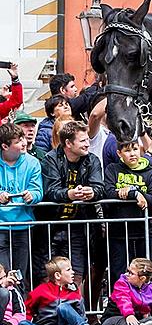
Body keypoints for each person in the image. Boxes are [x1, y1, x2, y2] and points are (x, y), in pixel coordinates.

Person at [37, 121, 102, 287]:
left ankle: (75, 309)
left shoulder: (92, 160)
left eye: (87, 139)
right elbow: (50, 191)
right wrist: (69, 194)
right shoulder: (50, 159)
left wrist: (92, 192)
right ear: (68, 143)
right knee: (47, 272)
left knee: (76, 272)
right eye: (82, 140)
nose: (88, 143)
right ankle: (50, 311)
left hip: (78, 226)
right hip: (51, 224)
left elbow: (100, 187)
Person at [103, 140, 152, 278]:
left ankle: (145, 300)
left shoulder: (151, 171)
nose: (132, 154)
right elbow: (108, 192)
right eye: (127, 151)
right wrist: (134, 194)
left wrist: (135, 191)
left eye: (135, 149)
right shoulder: (112, 169)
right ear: (119, 153)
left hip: (144, 231)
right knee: (119, 273)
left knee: (145, 273)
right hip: (118, 232)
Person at [0, 123, 43, 289]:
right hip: (1, 226)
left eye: (23, 138)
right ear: (5, 146)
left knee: (20, 274)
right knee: (4, 274)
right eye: (18, 141)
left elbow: (38, 190)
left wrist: (32, 196)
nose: (24, 143)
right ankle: (6, 312)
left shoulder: (32, 163)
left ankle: (20, 312)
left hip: (23, 226)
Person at [22, 256, 94, 325]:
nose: (73, 272)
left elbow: (81, 316)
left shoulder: (74, 292)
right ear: (57, 275)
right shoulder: (40, 290)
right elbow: (28, 310)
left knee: (63, 307)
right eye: (68, 270)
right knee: (23, 323)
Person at [101, 257, 152, 325]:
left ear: (142, 279)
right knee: (118, 324)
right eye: (127, 271)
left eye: (131, 273)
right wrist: (129, 315)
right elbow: (123, 299)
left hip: (138, 321)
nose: (126, 274)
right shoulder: (122, 282)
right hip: (114, 319)